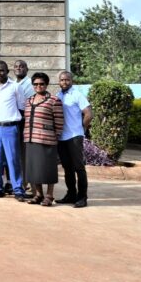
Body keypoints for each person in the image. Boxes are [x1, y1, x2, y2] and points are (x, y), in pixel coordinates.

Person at [0, 61, 27, 201]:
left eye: (1, 71)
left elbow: (22, 106)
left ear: (7, 71)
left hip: (10, 127)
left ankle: (18, 189)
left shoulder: (15, 87)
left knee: (13, 160)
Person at [23, 72, 64, 206]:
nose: (38, 86)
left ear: (46, 84)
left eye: (41, 84)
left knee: (48, 168)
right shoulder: (28, 101)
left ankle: (49, 195)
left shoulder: (53, 100)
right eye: (35, 84)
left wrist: (55, 137)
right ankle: (38, 194)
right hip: (30, 139)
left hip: (47, 140)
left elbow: (59, 121)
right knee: (34, 169)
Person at [56, 71, 92, 208]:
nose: (64, 82)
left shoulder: (77, 95)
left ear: (72, 81)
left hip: (74, 136)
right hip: (62, 137)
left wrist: (82, 129)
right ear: (59, 81)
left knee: (79, 167)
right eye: (62, 80)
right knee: (67, 168)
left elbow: (89, 113)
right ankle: (71, 194)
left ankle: (82, 197)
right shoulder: (58, 95)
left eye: (67, 80)